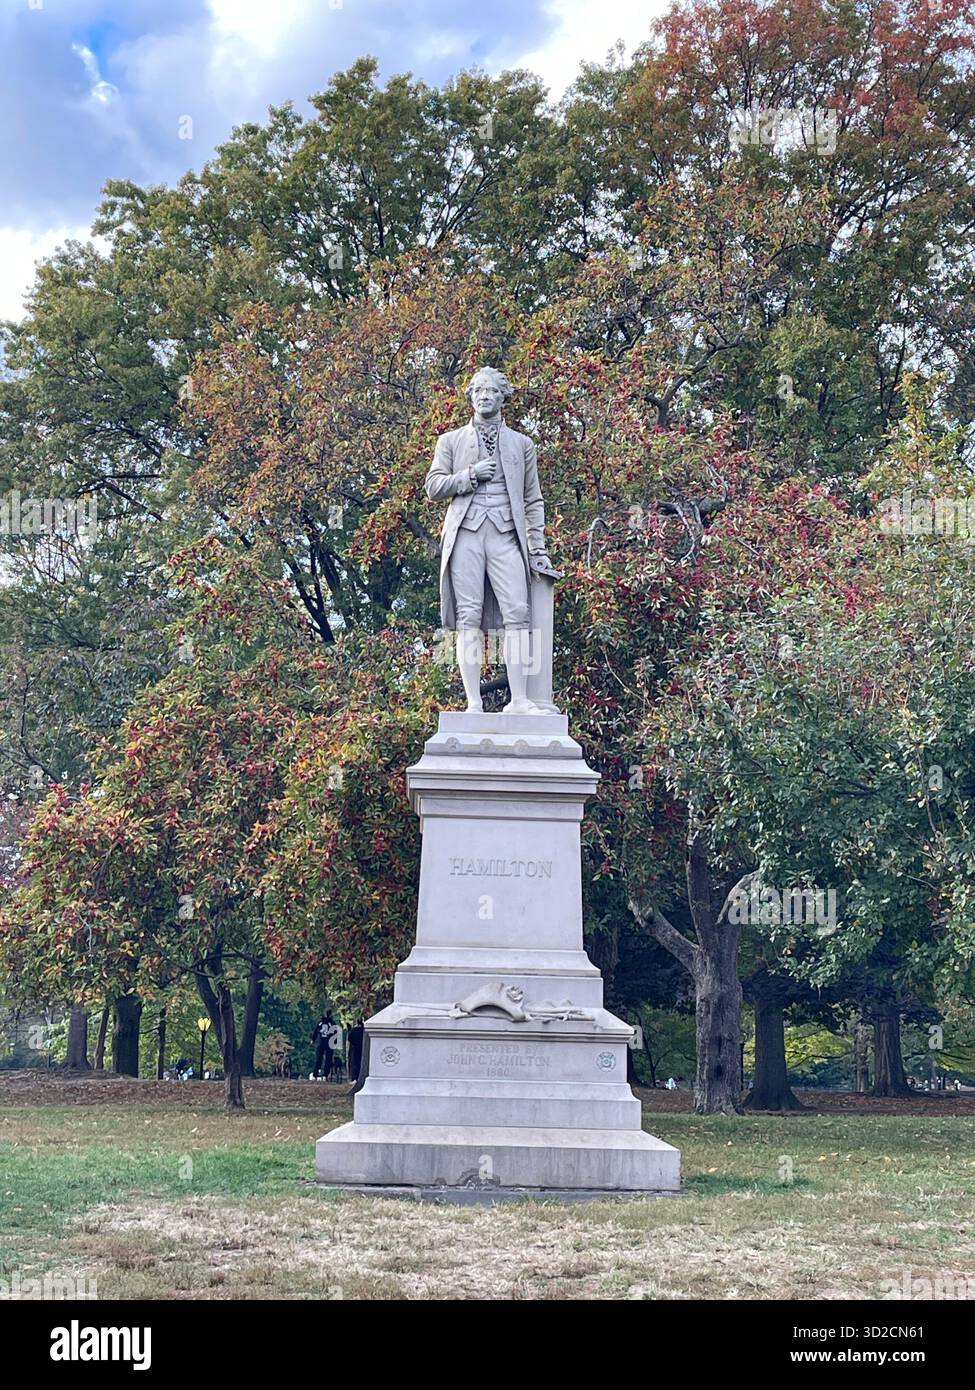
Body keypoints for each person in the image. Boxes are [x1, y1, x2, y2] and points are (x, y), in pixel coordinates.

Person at [426, 366, 558, 714]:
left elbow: (533, 500)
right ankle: (473, 702)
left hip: (505, 536)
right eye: (479, 391)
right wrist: (469, 476)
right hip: (466, 534)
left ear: (504, 398)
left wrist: (538, 549)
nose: (485, 396)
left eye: (492, 391)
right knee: (468, 616)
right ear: (470, 397)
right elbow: (433, 486)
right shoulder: (450, 441)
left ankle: (520, 700)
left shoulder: (522, 444)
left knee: (518, 612)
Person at [310, 1010, 334, 1080]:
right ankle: (325, 1074)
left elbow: (315, 1031)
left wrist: (313, 1039)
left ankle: (315, 1073)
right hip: (329, 1043)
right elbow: (335, 1032)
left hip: (320, 1043)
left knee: (319, 1058)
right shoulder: (331, 1023)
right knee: (328, 1059)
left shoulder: (320, 1023)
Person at [347, 1018, 365, 1083]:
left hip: (355, 1048)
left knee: (355, 1063)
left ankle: (355, 1077)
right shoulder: (364, 1030)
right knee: (361, 1062)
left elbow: (349, 1038)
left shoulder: (354, 1030)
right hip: (363, 1048)